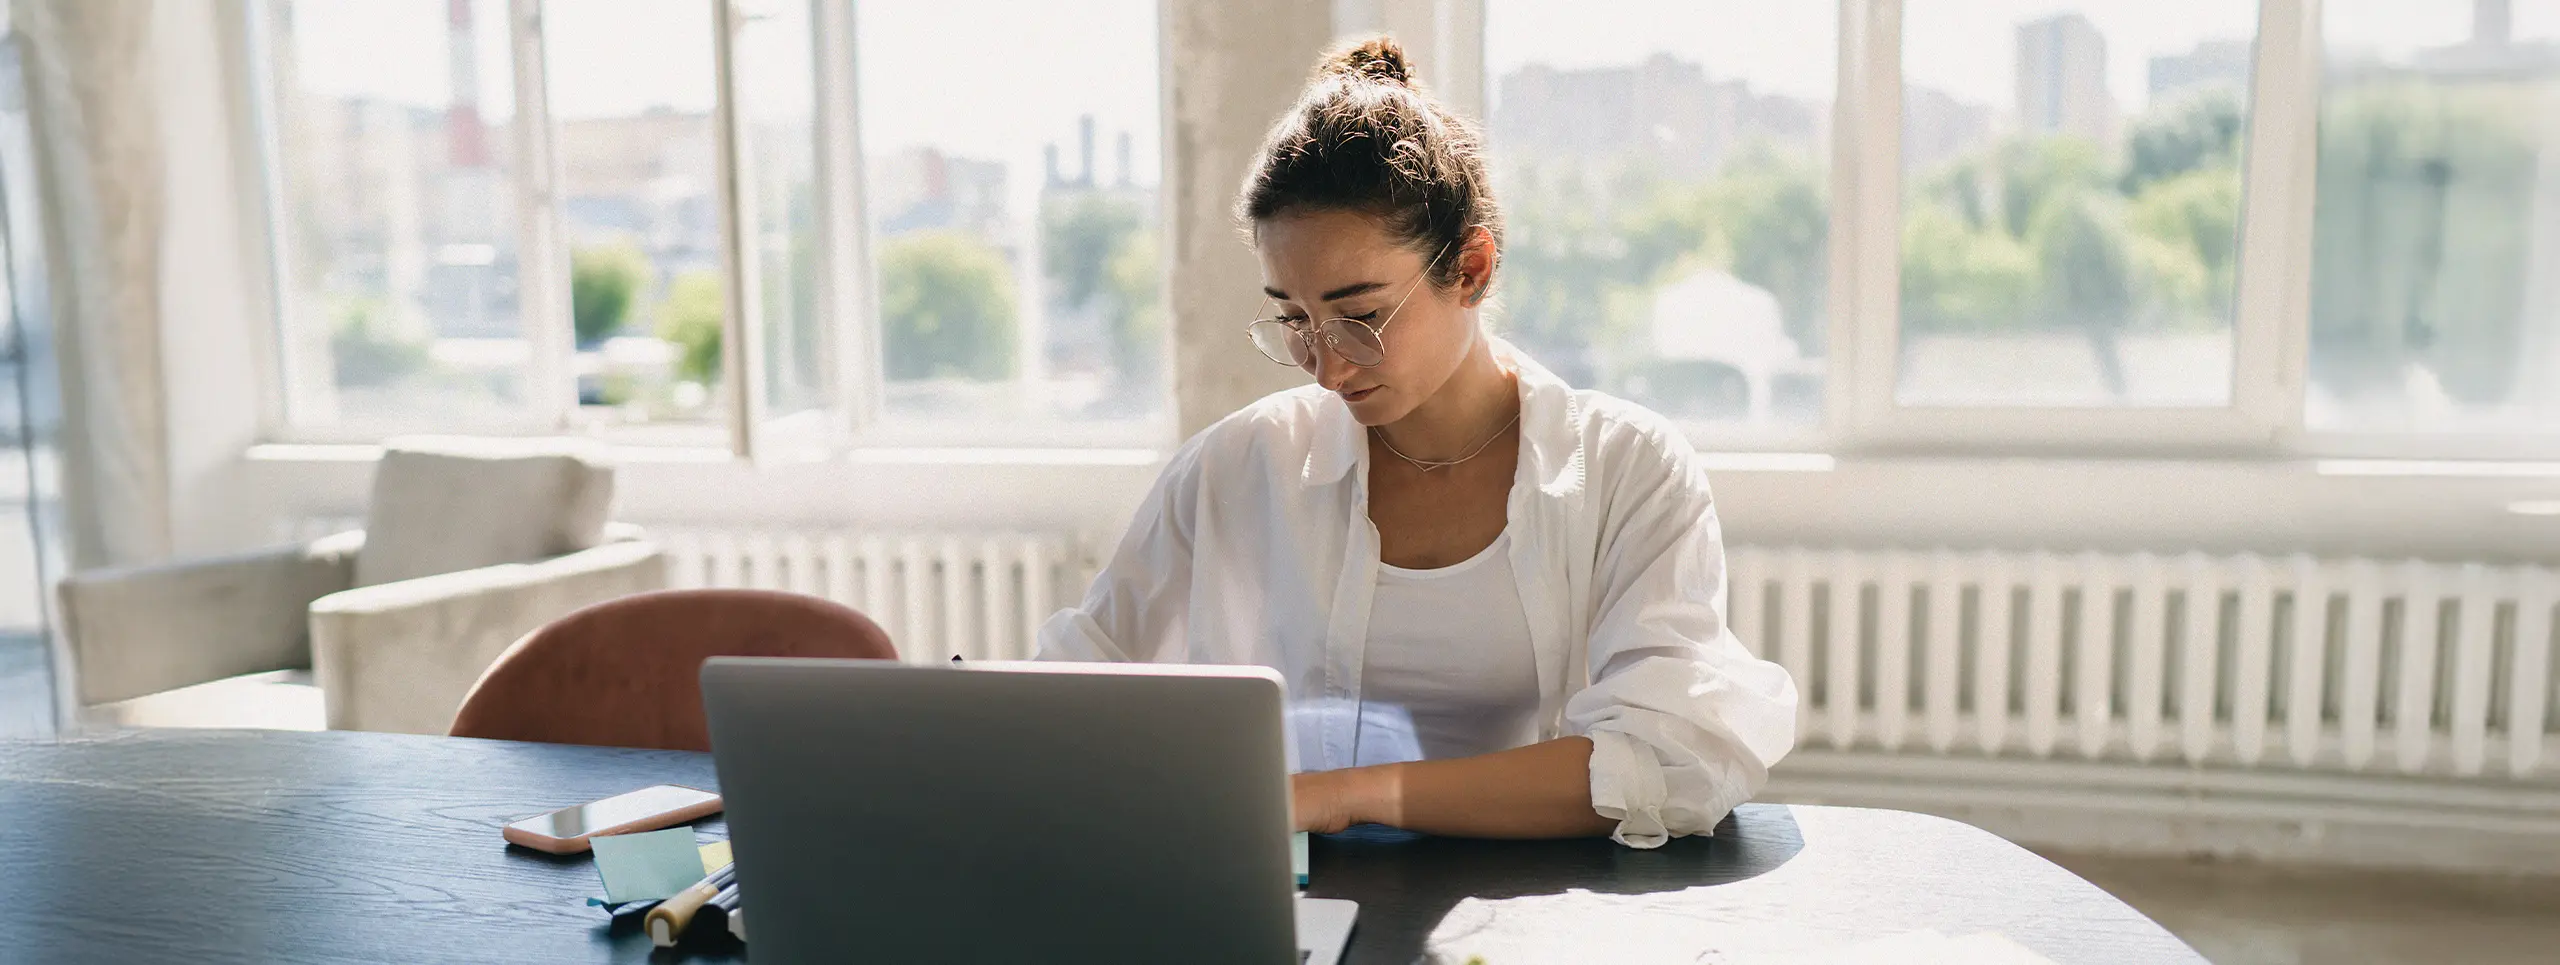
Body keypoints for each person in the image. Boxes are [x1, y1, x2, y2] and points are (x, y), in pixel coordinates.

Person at [1035, 36, 1796, 848]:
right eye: (1294, 319)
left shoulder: (1625, 468)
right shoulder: (1236, 465)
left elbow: (1664, 759)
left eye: (1359, 314)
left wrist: (1348, 795)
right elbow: (1077, 682)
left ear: (1470, 267)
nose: (1325, 367)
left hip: (1537, 905)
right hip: (1297, 899)